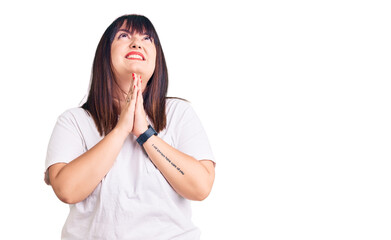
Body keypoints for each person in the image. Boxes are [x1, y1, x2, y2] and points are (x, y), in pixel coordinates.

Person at [44, 14, 216, 240]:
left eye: (147, 39)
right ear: (104, 55)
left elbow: (200, 187)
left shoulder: (178, 113)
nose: (136, 43)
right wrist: (120, 129)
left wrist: (145, 133)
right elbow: (67, 190)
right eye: (123, 36)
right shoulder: (74, 121)